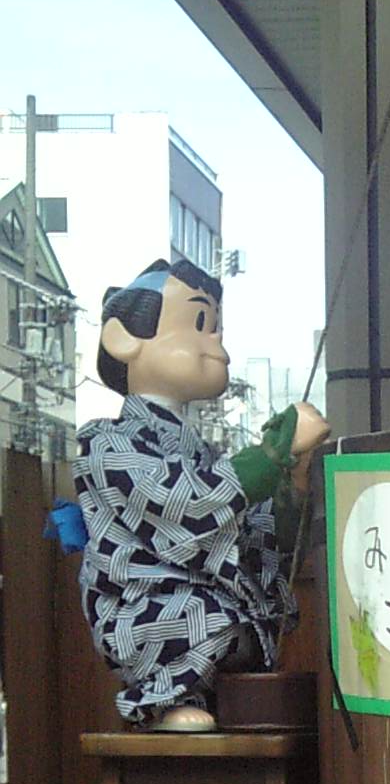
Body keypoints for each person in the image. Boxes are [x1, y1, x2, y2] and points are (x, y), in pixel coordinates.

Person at [74, 258, 329, 731]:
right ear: (122, 338)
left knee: (239, 619)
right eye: (198, 324)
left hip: (216, 614)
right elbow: (186, 506)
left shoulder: (202, 454)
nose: (216, 345)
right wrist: (271, 454)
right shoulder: (108, 445)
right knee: (207, 615)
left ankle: (205, 694)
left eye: (216, 329)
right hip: (145, 613)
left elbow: (249, 536)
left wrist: (290, 481)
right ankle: (163, 699)